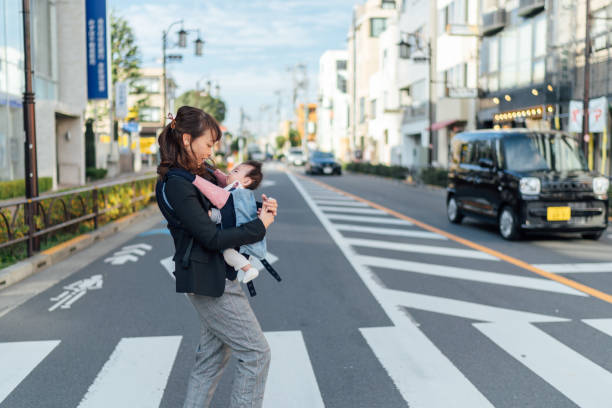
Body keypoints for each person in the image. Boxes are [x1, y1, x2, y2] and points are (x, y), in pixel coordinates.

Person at [156, 106, 278, 408]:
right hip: (209, 280)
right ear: (187, 139)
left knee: (211, 362)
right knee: (256, 354)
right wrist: (258, 227)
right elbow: (210, 238)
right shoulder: (176, 183)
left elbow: (231, 204)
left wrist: (256, 210)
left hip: (217, 276)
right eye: (208, 144)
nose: (211, 151)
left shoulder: (202, 174)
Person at [169, 161, 267, 284]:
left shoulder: (234, 195)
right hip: (242, 238)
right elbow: (223, 178)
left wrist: (188, 176)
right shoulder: (245, 196)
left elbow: (211, 191)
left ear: (246, 181)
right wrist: (211, 169)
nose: (230, 173)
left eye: (235, 171)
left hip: (236, 242)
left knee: (228, 253)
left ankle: (248, 268)